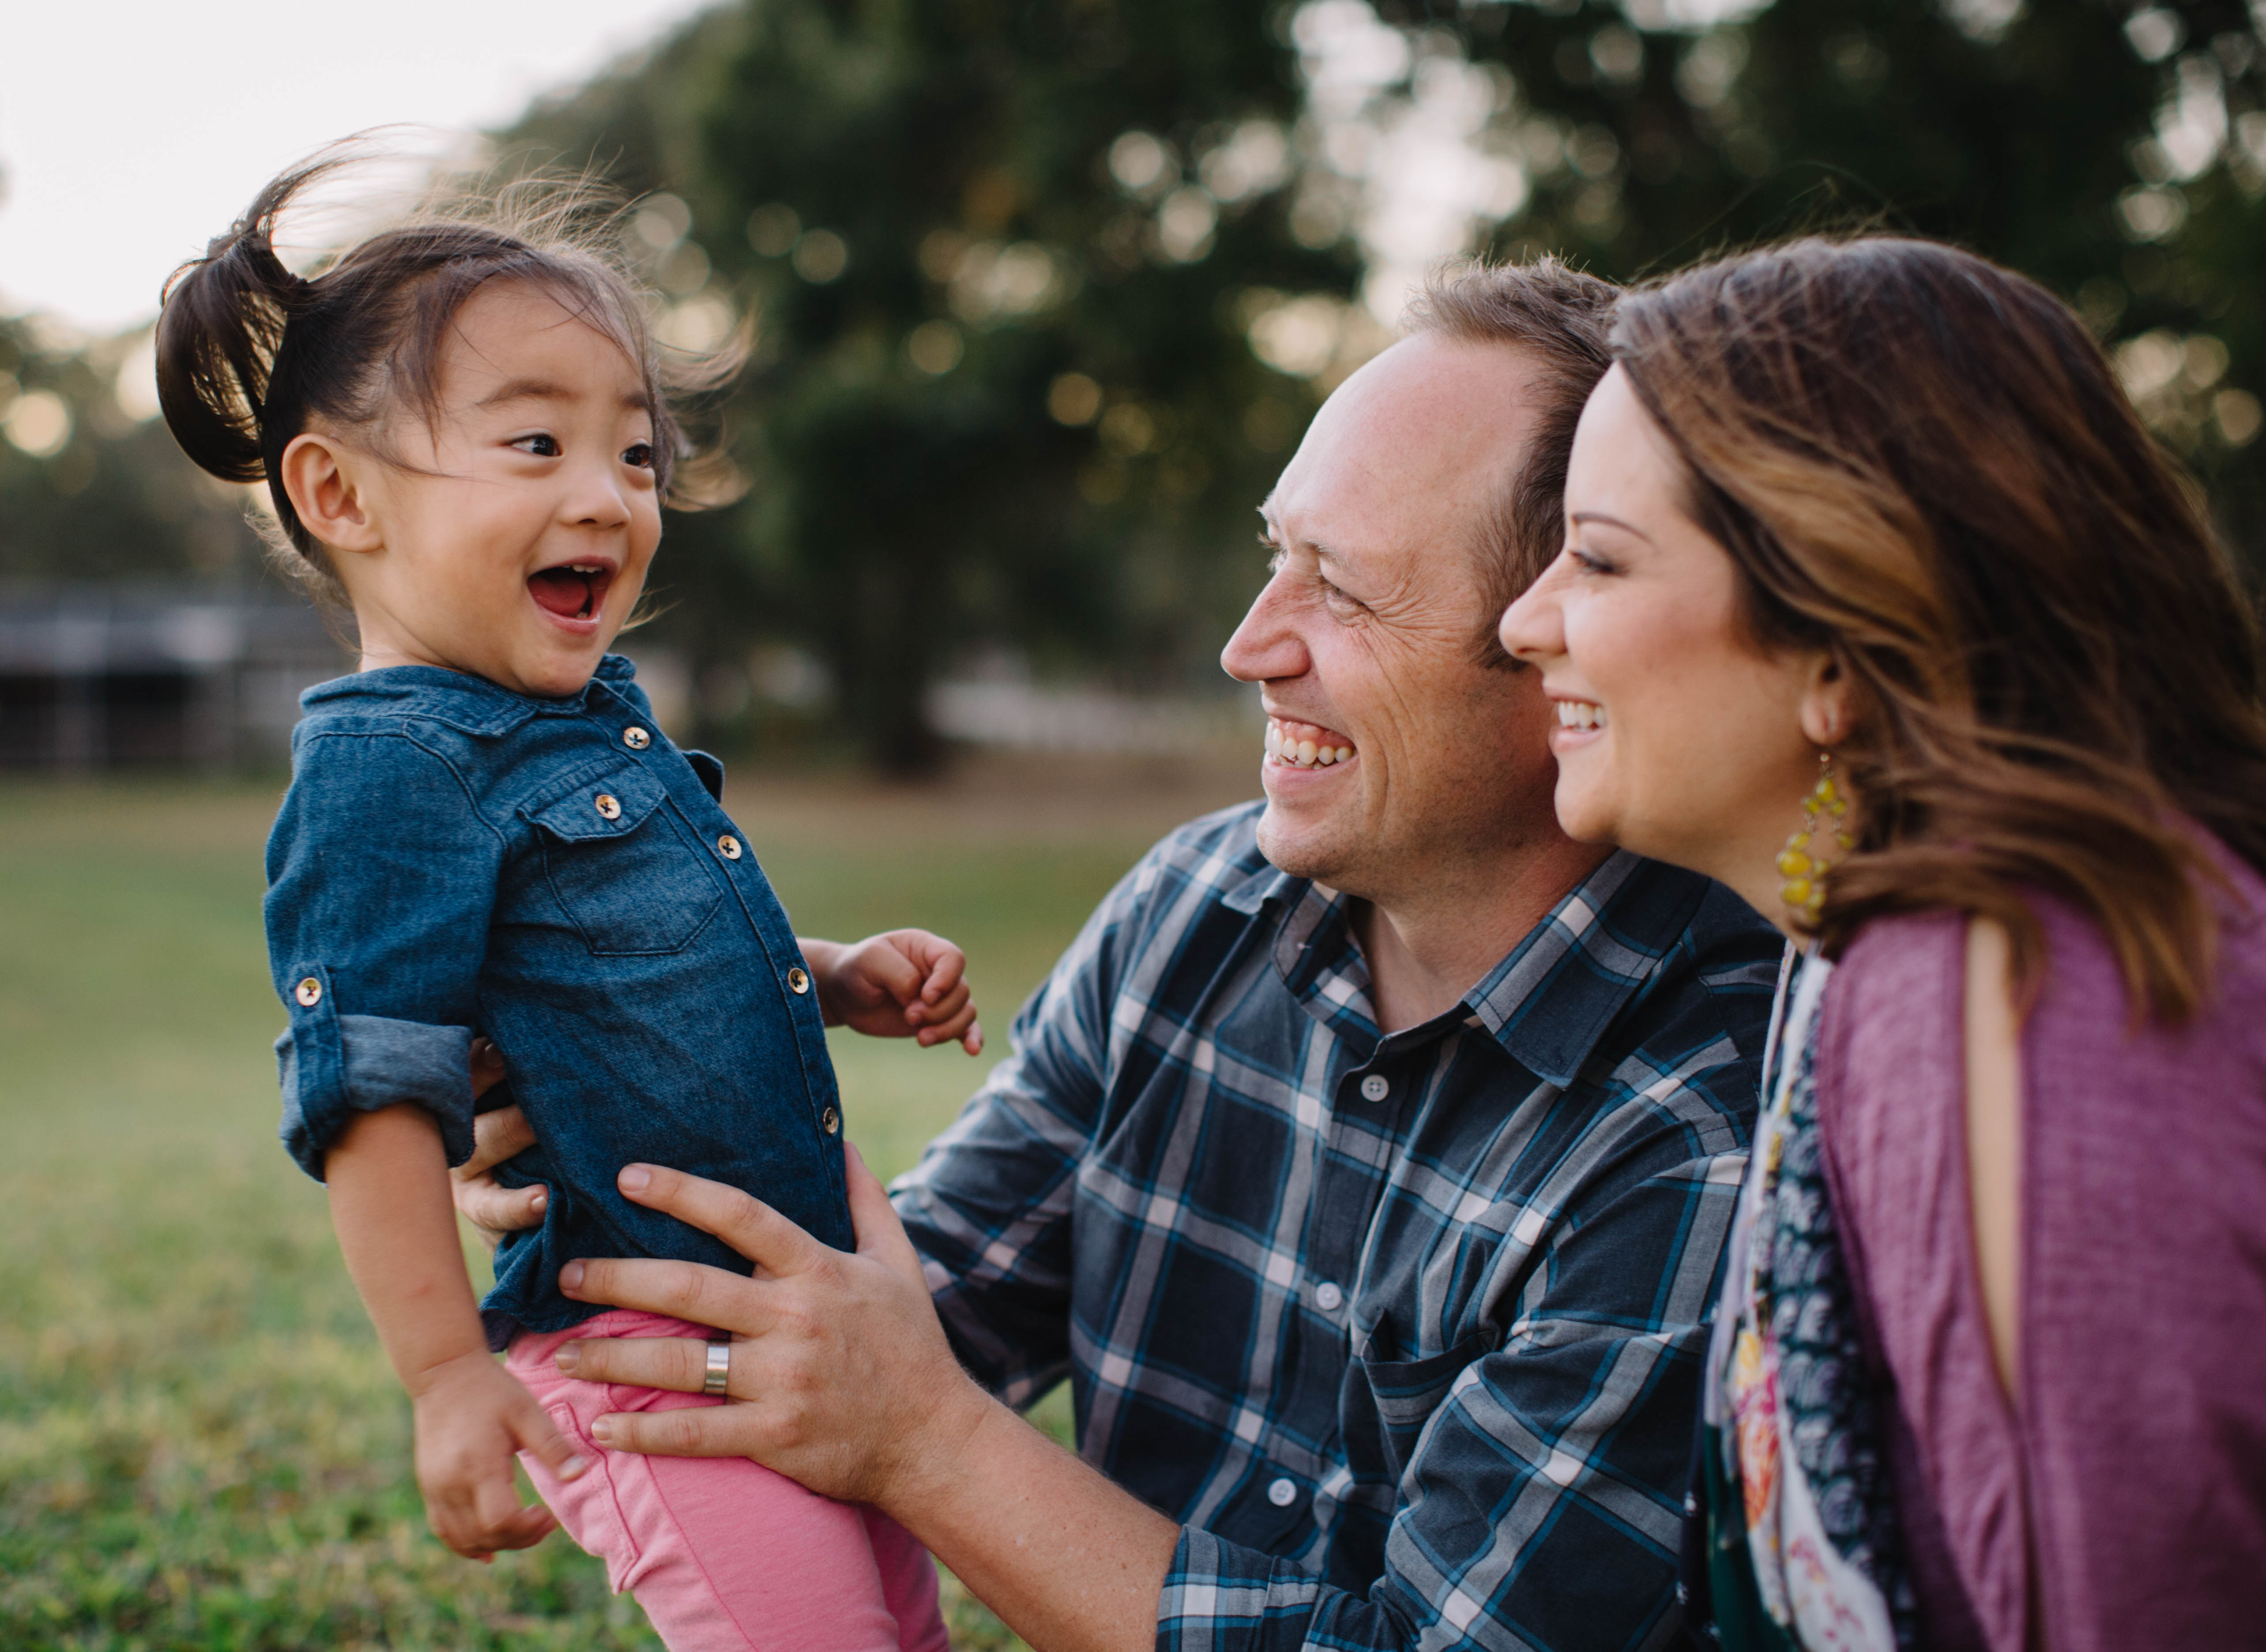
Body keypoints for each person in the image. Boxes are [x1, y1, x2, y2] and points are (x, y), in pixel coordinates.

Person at [458, 262, 1784, 1651]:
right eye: (1279, 556)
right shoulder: (1198, 907)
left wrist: (923, 1441)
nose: (1248, 645)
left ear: (1563, 649)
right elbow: (923, 1304)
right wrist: (620, 1158)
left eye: (1344, 593)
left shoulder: (1697, 1121)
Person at [154, 154, 984, 1652]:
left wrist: (836, 972)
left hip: (808, 1313)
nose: (607, 496)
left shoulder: (584, 713)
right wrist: (442, 1376)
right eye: (536, 443)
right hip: (642, 1348)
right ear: (340, 495)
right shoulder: (388, 771)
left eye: (639, 456)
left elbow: (621, 962)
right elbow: (375, 1096)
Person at [1497, 237, 2266, 1650]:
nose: (1524, 619)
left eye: (1598, 558)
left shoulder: (2037, 998)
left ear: (1845, 646)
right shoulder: (1888, 952)